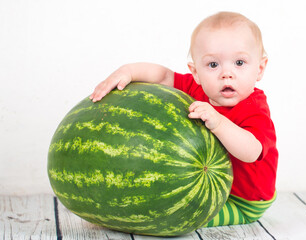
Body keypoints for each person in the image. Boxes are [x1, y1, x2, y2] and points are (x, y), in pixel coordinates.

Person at [90, 11, 278, 227]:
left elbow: (251, 152)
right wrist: (129, 71)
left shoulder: (254, 109)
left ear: (260, 68)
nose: (227, 73)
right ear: (195, 71)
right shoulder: (194, 87)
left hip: (244, 201)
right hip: (206, 188)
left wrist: (219, 123)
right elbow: (163, 76)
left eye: (239, 62)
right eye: (213, 65)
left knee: (178, 219)